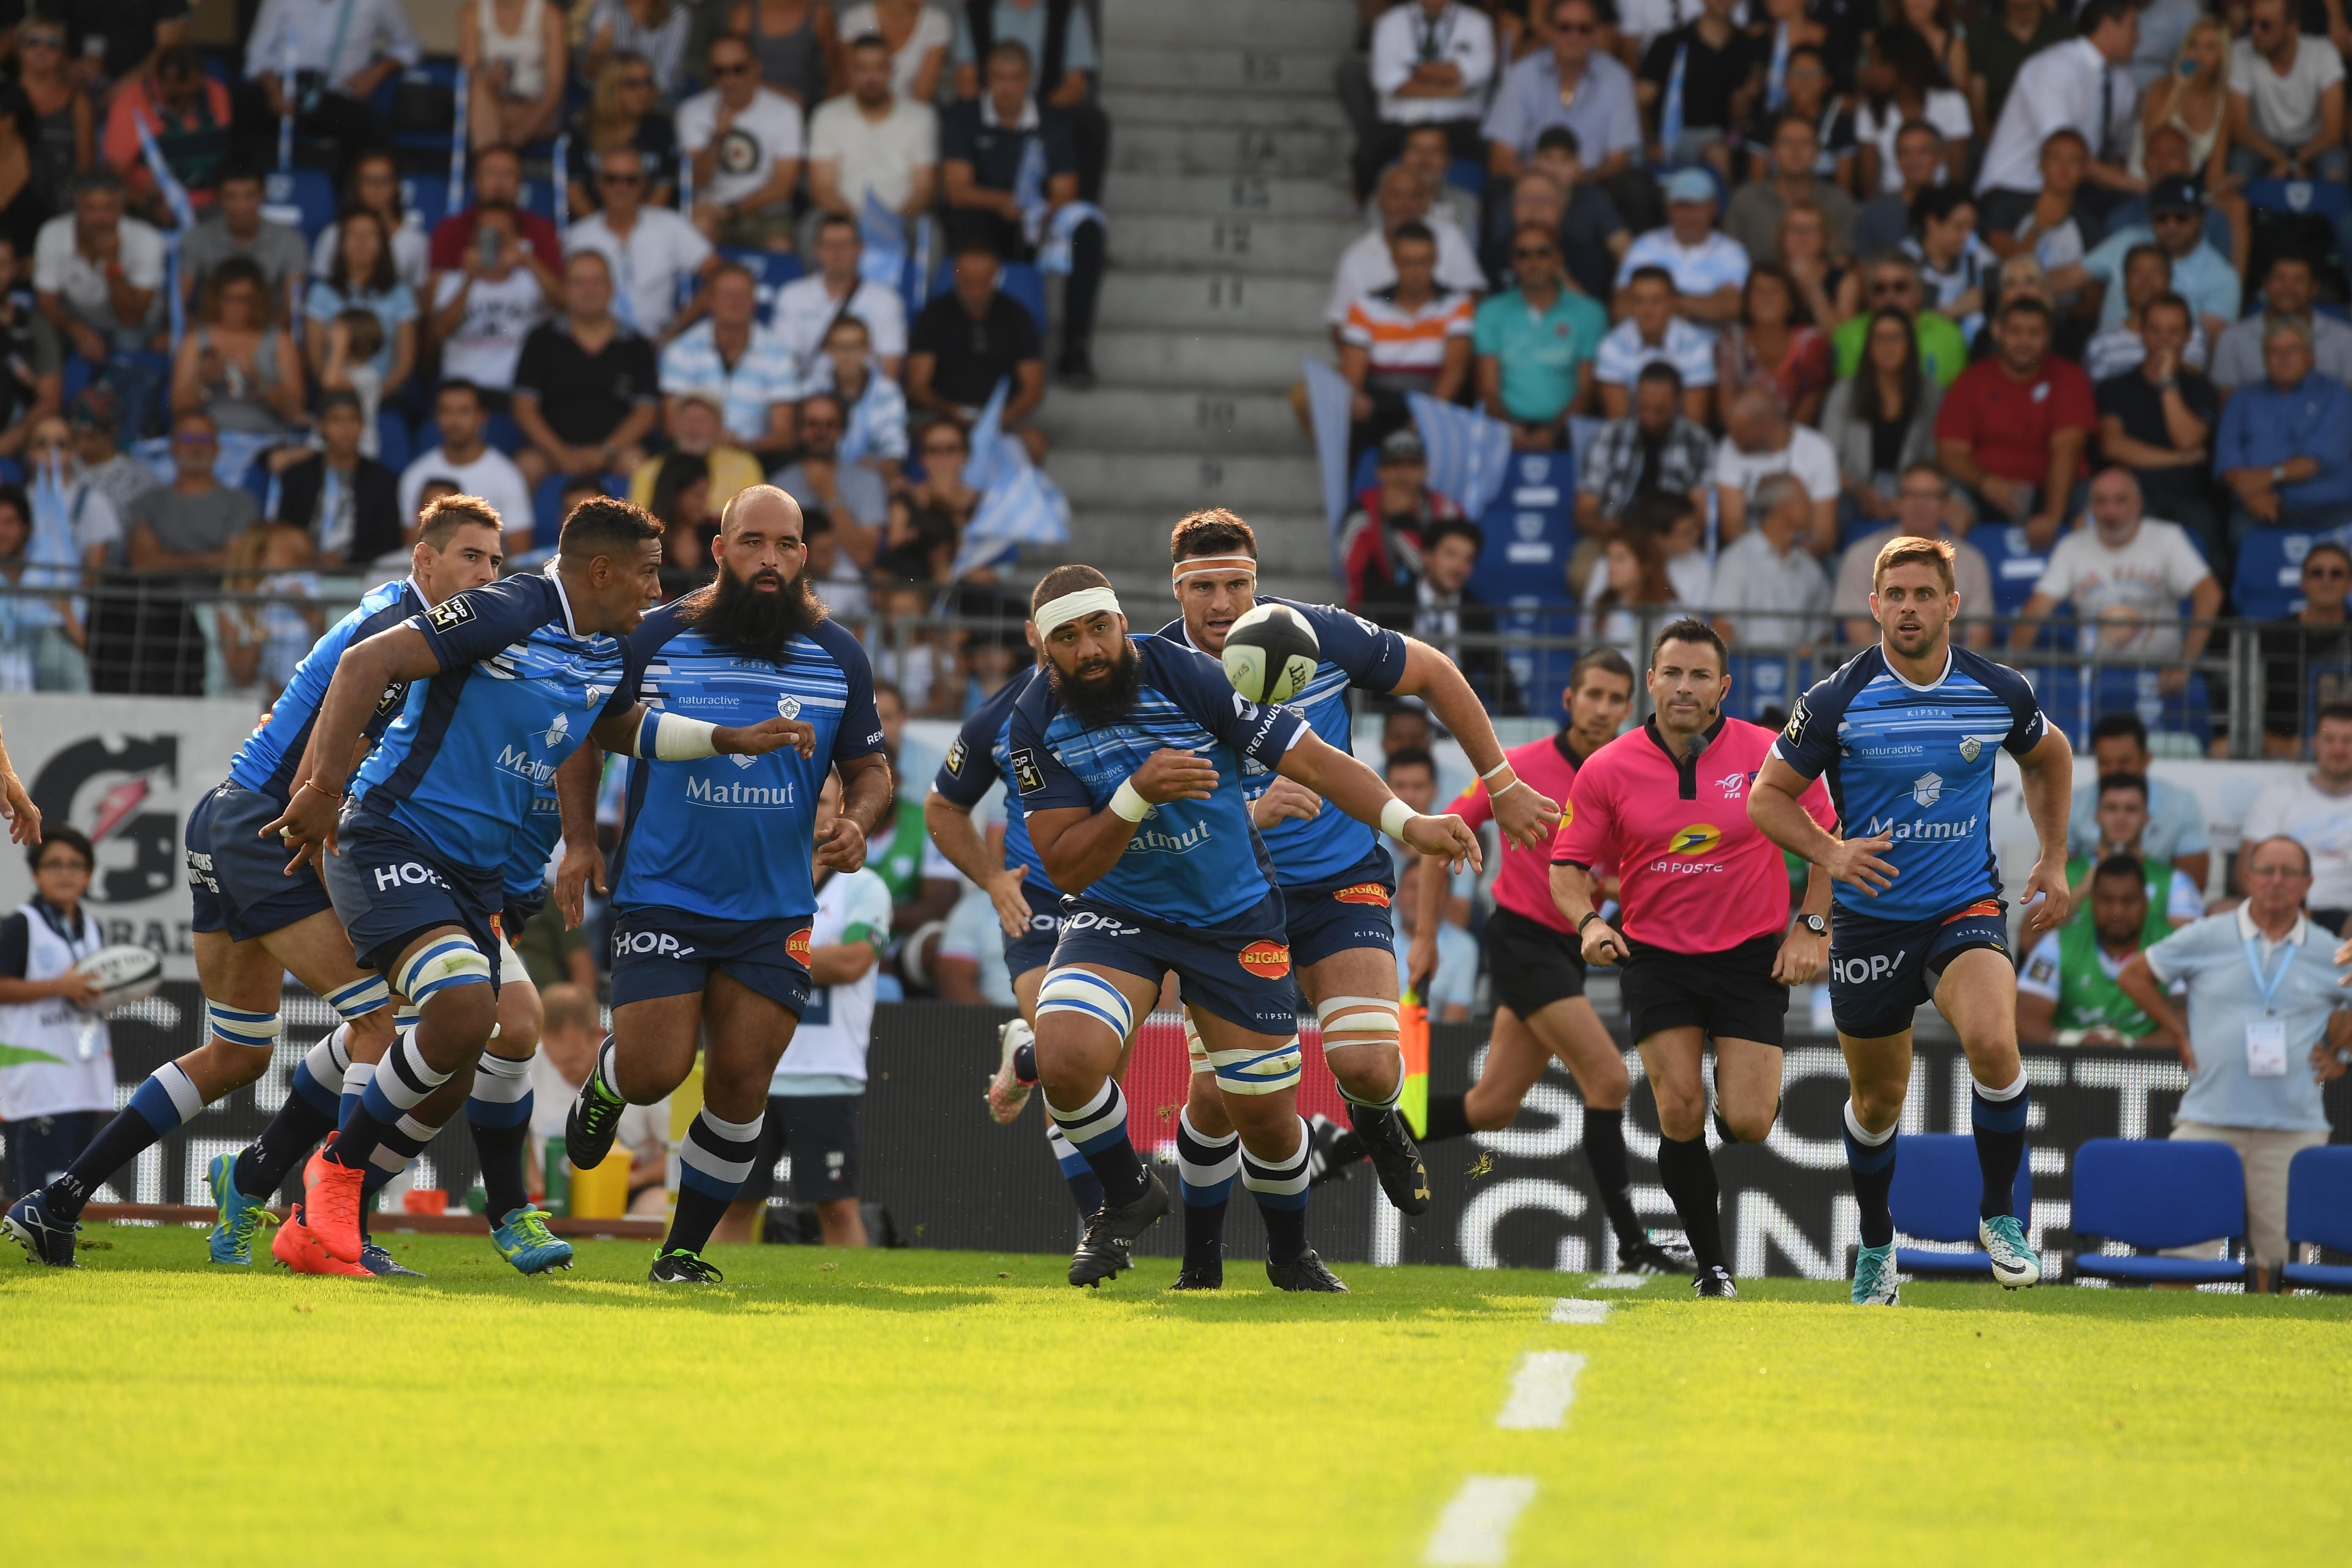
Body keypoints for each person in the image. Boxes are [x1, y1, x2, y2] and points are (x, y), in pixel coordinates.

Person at [265, 495, 800, 1271]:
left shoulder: (606, 648)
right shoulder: (508, 607)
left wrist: (725, 739)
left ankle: (349, 1211)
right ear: (601, 570)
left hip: (472, 874)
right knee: (460, 1009)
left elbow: (617, 728)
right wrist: (319, 789)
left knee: (513, 1020)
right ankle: (335, 1177)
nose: (657, 593)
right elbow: (364, 662)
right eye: (649, 575)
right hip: (391, 835)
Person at [0, 501, 505, 1271]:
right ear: (424, 559)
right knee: (379, 1020)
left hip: (224, 819)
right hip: (267, 831)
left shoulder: (386, 616)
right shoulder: (399, 634)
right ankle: (334, 1227)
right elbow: (322, 772)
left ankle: (59, 1199)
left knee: (237, 1052)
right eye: (471, 557)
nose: (486, 576)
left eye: (496, 563)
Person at [1006, 564, 1480, 1291]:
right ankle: (1128, 1195)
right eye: (1068, 638)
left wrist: (1409, 822)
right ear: (1044, 647)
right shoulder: (1033, 720)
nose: (1090, 649)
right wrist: (1137, 794)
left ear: (1119, 623)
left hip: (1230, 916)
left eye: (1099, 627)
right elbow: (1066, 867)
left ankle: (1289, 1253)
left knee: (1260, 1113)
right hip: (1120, 910)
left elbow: (1316, 761)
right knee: (1065, 1057)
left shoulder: (1191, 678)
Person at [1154, 512, 1561, 1275]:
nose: (1221, 603)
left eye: (1236, 583)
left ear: (1256, 577)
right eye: (1202, 587)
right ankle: (1201, 1263)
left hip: (1340, 881)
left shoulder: (1314, 634)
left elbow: (1436, 672)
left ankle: (1376, 1122)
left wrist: (1501, 784)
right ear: (1175, 588)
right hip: (1229, 900)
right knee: (1218, 1100)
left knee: (1371, 1066)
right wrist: (1251, 811)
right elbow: (1149, 809)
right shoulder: (1154, 673)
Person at [561, 488, 893, 1280]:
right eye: (752, 543)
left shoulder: (838, 652)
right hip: (663, 888)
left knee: (743, 1082)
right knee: (655, 1071)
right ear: (718, 550)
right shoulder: (654, 634)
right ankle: (608, 1083)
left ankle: (681, 1252)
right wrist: (578, 841)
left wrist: (857, 818)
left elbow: (869, 766)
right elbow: (584, 731)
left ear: (804, 557)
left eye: (785, 546)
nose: (769, 560)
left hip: (773, 905)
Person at [1752, 532, 2075, 1304]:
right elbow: (1765, 797)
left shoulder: (1997, 689)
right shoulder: (1835, 698)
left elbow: (2049, 756)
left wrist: (2054, 856)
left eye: (1922, 593)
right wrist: (1829, 855)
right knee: (1876, 1102)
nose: (1907, 607)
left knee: (1995, 1044)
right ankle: (1874, 1244)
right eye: (1893, 594)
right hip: (1867, 924)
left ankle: (1998, 1216)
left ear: (1950, 605)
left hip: (1961, 905)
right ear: (1872, 606)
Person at [1334, 648, 1689, 1274]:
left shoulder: (1631, 774)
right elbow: (1445, 834)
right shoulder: (1518, 768)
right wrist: (1426, 938)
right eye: (1593, 695)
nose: (1603, 709)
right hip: (1523, 942)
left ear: (1630, 708)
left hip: (1568, 949)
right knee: (1608, 1080)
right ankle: (1633, 1245)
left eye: (1615, 699)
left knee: (1491, 1107)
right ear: (1569, 700)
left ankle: (1340, 1145)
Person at [1554, 619, 1836, 1298]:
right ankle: (1714, 1270)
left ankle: (1712, 1132)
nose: (1685, 687)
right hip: (1658, 962)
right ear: (1649, 681)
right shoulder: (1608, 767)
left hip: (1749, 960)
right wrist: (1590, 923)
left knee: (1747, 1122)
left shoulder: (1772, 754)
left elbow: (1828, 840)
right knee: (1678, 1108)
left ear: (1724, 686)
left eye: (1700, 675)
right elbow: (1567, 869)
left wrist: (1813, 928)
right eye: (1672, 673)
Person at [2118, 836, 2349, 1292]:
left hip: (2292, 1128)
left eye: (2288, 872)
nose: (2276, 882)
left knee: (2282, 1269)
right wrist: (2179, 1032)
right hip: (2207, 1120)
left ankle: (2267, 1362)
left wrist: (2342, 1053)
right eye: (2266, 870)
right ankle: (2166, 1357)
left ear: (2308, 883)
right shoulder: (2209, 934)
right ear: (2247, 877)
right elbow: (2133, 974)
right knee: (2180, 1261)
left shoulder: (2328, 949)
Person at [718, 769, 893, 1247]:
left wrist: (762, 954)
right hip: (753, 1069)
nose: (814, 810)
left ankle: (858, 1313)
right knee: (732, 1201)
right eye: (806, 798)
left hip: (827, 1072)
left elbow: (854, 961)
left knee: (837, 1206)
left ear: (841, 810)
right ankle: (697, 1298)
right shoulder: (757, 875)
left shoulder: (865, 887)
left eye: (825, 801)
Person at [939, 39, 1104, 382]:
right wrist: (1002, 202)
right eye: (998, 77)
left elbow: (1065, 191)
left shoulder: (1053, 122)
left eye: (1015, 78)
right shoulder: (963, 118)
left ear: (1029, 78)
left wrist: (1038, 211)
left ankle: (1075, 345)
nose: (1007, 87)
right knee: (968, 221)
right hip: (985, 215)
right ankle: (970, 350)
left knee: (1087, 233)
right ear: (986, 78)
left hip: (1037, 221)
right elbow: (957, 190)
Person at [2006, 466, 2219, 687]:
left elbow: (2210, 594)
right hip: (2096, 679)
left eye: (2120, 501)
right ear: (2090, 507)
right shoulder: (2073, 546)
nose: (2110, 512)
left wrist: (2186, 663)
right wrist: (2011, 672)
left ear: (2139, 504)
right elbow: (2037, 609)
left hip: (2159, 677)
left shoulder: (2168, 538)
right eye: (2101, 502)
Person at [0, 829, 114, 1205]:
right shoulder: (22, 926)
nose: (65, 874)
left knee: (71, 1185)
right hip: (37, 1083)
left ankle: (60, 1248)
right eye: (54, 865)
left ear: (88, 874)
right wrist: (58, 987)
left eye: (75, 865)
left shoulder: (93, 928)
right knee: (33, 1191)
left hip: (84, 1078)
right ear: (36, 874)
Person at [1934, 296, 2093, 548]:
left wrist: (2052, 515)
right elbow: (1950, 453)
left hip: (2055, 488)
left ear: (2049, 336)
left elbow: (2067, 451)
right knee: (1949, 511)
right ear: (1999, 332)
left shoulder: (2071, 378)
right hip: (1983, 487)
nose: (2024, 342)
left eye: (2035, 333)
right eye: (2016, 332)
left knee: (2097, 512)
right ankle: (1954, 580)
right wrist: (1985, 482)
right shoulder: (1971, 380)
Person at [1973, 0, 2142, 233]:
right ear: (2108, 25)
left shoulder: (2122, 85)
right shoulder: (2054, 66)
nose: (2138, 38)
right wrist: (2138, 186)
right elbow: (2064, 153)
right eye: (2132, 27)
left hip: (2078, 192)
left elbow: (2120, 154)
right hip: (2017, 190)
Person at [118, 413, 258, 694]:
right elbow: (143, 564)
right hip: (157, 620)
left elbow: (235, 564)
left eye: (205, 438)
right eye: (187, 438)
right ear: (172, 446)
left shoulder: (241, 503)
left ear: (218, 448)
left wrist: (170, 559)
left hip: (220, 614)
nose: (196, 446)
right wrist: (208, 559)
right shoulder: (147, 504)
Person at [511, 250, 661, 488]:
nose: (588, 290)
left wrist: (605, 451)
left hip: (615, 453)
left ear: (611, 288)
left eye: (597, 282)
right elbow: (524, 408)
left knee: (638, 464)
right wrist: (561, 453)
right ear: (565, 289)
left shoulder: (637, 345)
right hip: (551, 453)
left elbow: (646, 412)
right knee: (526, 466)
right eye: (579, 282)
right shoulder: (540, 340)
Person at [2088, 293, 2221, 548]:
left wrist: (2167, 383)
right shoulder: (2114, 387)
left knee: (2206, 539)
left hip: (2186, 497)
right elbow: (2114, 447)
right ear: (2142, 333)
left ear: (2188, 337)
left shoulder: (2202, 389)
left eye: (2173, 332)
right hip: (2129, 498)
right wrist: (2180, 459)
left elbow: (2187, 439)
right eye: (2155, 330)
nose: (2163, 340)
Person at [528, 981, 668, 1215]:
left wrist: (633, 1180)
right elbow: (525, 1138)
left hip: (634, 1194)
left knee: (658, 1207)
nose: (562, 1071)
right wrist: (536, 1182)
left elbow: (676, 1153)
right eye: (555, 1062)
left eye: (572, 1060)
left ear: (597, 1035)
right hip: (556, 1199)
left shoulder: (636, 1068)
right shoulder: (533, 1064)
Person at [1339, 222, 1474, 465]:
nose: (1415, 272)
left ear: (1436, 260)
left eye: (1423, 262)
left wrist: (1429, 416)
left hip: (1435, 403)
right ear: (1394, 261)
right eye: (1407, 262)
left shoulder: (1457, 304)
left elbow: (1455, 371)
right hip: (1380, 407)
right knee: (1353, 417)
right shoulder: (1366, 305)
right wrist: (1356, 398)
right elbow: (1353, 375)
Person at [948, 0, 1109, 203]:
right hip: (990, 112)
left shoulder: (1067, 9)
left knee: (1091, 123)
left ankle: (1079, 220)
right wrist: (997, 112)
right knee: (956, 120)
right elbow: (966, 82)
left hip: (1047, 111)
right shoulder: (976, 7)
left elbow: (1076, 84)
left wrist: (1035, 115)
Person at [1484, 0, 1644, 196]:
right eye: (1564, 28)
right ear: (1549, 31)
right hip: (1529, 190)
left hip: (1592, 189)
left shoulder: (1618, 79)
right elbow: (1501, 157)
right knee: (1498, 188)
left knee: (1633, 188)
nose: (1574, 37)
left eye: (1583, 29)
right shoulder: (1521, 75)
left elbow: (1619, 161)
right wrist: (1541, 184)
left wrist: (1583, 181)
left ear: (1596, 33)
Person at [2015, 853, 2173, 1045]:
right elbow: (2023, 1019)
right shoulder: (2057, 943)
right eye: (2107, 900)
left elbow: (2190, 1026)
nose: (2117, 911)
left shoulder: (2172, 945)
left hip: (2149, 1071)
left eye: (2128, 901)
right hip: (2071, 1066)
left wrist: (2129, 1045)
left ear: (2145, 902)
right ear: (2092, 902)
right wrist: (2076, 1042)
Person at [238, 0, 420, 168]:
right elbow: (256, 56)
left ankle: (346, 199)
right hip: (281, 92)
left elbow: (408, 47)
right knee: (237, 108)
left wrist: (376, 72)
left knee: (368, 131)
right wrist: (274, 91)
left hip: (337, 97)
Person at [2215, 322, 2352, 539]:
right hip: (2261, 503)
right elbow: (2228, 460)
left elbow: (2316, 461)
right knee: (2241, 531)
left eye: (2293, 350)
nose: (2284, 357)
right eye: (2274, 351)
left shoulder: (2336, 395)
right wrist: (2251, 495)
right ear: (2265, 359)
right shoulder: (2242, 397)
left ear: (2310, 356)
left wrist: (2268, 477)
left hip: (2328, 506)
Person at [563, 145, 711, 344]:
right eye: (611, 179)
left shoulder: (670, 225)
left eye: (631, 180)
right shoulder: (577, 236)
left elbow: (719, 275)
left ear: (644, 185)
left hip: (657, 341)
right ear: (598, 184)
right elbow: (560, 293)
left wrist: (675, 328)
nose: (621, 187)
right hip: (594, 342)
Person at [1473, 221, 1605, 444]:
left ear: (1558, 258)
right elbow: (1487, 389)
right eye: (1523, 254)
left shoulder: (1590, 312)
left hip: (1568, 432)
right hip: (1504, 431)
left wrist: (1554, 432)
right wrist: (1512, 430)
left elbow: (1587, 391)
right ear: (1513, 262)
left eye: (1543, 253)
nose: (1533, 262)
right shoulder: (1490, 311)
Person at [1832, 463, 1991, 647]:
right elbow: (1861, 639)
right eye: (1911, 496)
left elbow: (1978, 640)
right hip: (1880, 670)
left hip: (1950, 671)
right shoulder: (1861, 556)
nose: (1920, 505)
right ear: (1898, 502)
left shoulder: (1972, 561)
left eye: (1930, 497)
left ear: (1946, 505)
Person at [2063, 177, 2239, 343]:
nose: (2171, 225)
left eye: (2181, 217)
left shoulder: (2223, 277)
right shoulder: (2128, 240)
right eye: (2162, 218)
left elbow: (2206, 348)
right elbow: (2067, 278)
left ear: (2201, 217)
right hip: (2109, 359)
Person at [906, 239, 1044, 446]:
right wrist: (950, 411)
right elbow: (918, 386)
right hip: (944, 417)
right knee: (939, 443)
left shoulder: (1018, 317)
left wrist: (999, 419)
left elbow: (1033, 388)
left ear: (997, 275)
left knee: (1034, 442)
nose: (976, 289)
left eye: (983, 281)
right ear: (956, 273)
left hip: (1003, 418)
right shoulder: (933, 317)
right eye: (969, 281)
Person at [677, 31, 806, 252]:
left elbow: (783, 186)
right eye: (720, 72)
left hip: (767, 212)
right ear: (710, 74)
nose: (730, 80)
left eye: (739, 70)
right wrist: (718, 139)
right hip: (711, 209)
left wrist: (732, 210)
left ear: (757, 67)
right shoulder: (692, 111)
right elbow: (697, 181)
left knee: (779, 246)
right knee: (698, 229)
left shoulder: (785, 111)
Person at [1821, 308, 1947, 531]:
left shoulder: (1932, 395)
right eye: (1879, 338)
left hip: (1913, 495)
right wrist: (1860, 491)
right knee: (1836, 514)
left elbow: (1934, 460)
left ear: (1910, 344)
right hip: (1854, 494)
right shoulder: (1845, 392)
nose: (1887, 346)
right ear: (1869, 345)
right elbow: (1825, 459)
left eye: (1895, 338)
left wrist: (1907, 498)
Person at [658, 260, 800, 457]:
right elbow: (672, 425)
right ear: (710, 302)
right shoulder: (681, 350)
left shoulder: (779, 354)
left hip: (755, 456)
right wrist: (709, 442)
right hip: (692, 455)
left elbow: (784, 434)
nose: (735, 302)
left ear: (755, 303)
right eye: (727, 295)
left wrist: (745, 447)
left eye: (743, 295)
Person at [1329, 163, 1487, 337]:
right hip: (1379, 357)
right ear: (1379, 201)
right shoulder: (1357, 256)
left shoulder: (1450, 237)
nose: (1405, 205)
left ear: (1427, 202)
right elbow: (1340, 323)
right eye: (1396, 196)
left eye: (1414, 196)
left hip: (1446, 350)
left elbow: (1472, 297)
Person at [34, 172, 163, 384]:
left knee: (127, 341)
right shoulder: (53, 233)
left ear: (122, 209)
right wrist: (78, 330)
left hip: (136, 324)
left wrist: (112, 264)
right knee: (45, 334)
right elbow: (46, 303)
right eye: (91, 209)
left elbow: (131, 319)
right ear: (77, 209)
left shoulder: (146, 238)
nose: (100, 218)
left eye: (109, 209)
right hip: (79, 318)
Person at [806, 30, 939, 233]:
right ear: (850, 71)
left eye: (880, 68)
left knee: (931, 234)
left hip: (902, 220)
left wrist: (891, 225)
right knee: (811, 230)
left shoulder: (921, 117)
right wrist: (856, 226)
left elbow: (923, 188)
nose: (871, 78)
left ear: (892, 70)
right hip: (842, 219)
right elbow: (822, 187)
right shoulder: (826, 116)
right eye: (862, 69)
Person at [1362, 0, 1499, 196]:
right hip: (1402, 123)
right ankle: (1370, 211)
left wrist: (1417, 72)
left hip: (1460, 124)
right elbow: (1387, 81)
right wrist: (1452, 88)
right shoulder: (1390, 22)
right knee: (1364, 158)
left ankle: (1483, 220)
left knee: (1495, 163)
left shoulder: (1477, 23)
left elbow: (1478, 74)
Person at [429, 201, 557, 401]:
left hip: (517, 394)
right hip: (463, 395)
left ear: (516, 237)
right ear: (474, 236)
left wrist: (528, 260)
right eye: (488, 234)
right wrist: (469, 279)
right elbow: (439, 333)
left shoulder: (532, 280)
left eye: (503, 234)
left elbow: (566, 306)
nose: (496, 241)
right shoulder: (452, 281)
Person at [2243, 704, 2352, 934]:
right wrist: (2285, 909)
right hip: (2284, 908)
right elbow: (2247, 869)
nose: (2339, 749)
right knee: (2221, 911)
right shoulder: (2280, 794)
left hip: (2348, 916)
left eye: (2348, 741)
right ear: (2314, 744)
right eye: (2329, 739)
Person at [1576, 361, 1714, 535]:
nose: (1651, 418)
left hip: (1673, 538)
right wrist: (1604, 528)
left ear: (1678, 401)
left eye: (1660, 410)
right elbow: (1586, 508)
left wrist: (1679, 538)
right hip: (1613, 533)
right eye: (1644, 408)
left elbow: (1700, 511)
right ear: (1636, 398)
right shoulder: (1609, 436)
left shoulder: (1699, 441)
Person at [397, 380, 535, 551]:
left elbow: (519, 553)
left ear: (483, 417)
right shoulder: (415, 476)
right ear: (436, 417)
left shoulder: (507, 476)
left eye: (464, 412)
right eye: (447, 412)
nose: (455, 421)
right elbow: (412, 548)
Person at [771, 212, 907, 385]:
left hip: (865, 398)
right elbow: (783, 363)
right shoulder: (792, 296)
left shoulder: (887, 300)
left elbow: (890, 369)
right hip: (810, 401)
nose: (838, 252)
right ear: (816, 251)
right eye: (830, 245)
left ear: (860, 249)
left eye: (845, 244)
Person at [2224, 0, 2348, 187]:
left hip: (2315, 145)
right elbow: (2240, 130)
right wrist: (2284, 160)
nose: (2255, 32)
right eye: (2252, 23)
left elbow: (2333, 133)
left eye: (2265, 25)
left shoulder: (2324, 53)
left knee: (2336, 172)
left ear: (2292, 27)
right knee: (2238, 171)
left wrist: (2293, 160)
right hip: (2261, 146)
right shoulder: (2241, 51)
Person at [1614, 169, 1750, 339]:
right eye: (1681, 206)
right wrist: (1707, 302)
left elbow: (1735, 308)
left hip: (1715, 355)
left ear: (1714, 208)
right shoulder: (1644, 246)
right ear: (1668, 209)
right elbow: (1621, 308)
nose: (1689, 215)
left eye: (1697, 206)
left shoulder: (1732, 252)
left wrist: (1658, 302)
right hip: (1650, 355)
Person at [303, 207, 419, 405]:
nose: (361, 242)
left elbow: (405, 361)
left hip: (385, 397)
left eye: (370, 235)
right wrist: (337, 389)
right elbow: (316, 359)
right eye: (353, 235)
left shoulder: (401, 294)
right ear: (341, 244)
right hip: (333, 395)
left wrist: (374, 394)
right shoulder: (321, 293)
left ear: (383, 244)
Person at [103, 45, 234, 219]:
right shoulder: (130, 103)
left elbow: (225, 153)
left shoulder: (217, 93)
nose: (183, 103)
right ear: (158, 79)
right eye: (175, 97)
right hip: (157, 211)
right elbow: (115, 171)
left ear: (200, 79)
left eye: (190, 95)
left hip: (214, 208)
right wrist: (146, 204)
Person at [2062, 773, 2202, 932]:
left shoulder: (2176, 882)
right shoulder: (2060, 877)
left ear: (2146, 819)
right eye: (2111, 808)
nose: (2121, 817)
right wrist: (2081, 892)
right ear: (2097, 816)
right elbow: (2029, 938)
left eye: (2131, 810)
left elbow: (2187, 946)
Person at [277, 389, 403, 566]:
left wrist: (346, 562)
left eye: (352, 420)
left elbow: (388, 543)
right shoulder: (298, 477)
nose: (345, 429)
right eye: (336, 420)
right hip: (301, 570)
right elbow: (284, 532)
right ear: (322, 425)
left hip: (360, 576)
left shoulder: (382, 481)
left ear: (362, 425)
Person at [1709, 472, 1834, 648]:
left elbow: (1822, 634)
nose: (1812, 507)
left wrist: (1808, 656)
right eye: (1804, 500)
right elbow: (1723, 627)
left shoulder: (1810, 568)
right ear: (1783, 508)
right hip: (1745, 672)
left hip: (1799, 672)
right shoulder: (1736, 560)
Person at [1634, 0, 1758, 177]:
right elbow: (1641, 101)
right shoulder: (1669, 43)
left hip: (1726, 141)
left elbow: (1740, 120)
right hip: (1671, 138)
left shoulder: (1746, 47)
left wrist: (1744, 100)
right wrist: (1650, 142)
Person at [774, 389, 890, 573]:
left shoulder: (869, 482)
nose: (821, 432)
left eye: (831, 424)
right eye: (812, 424)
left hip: (849, 591)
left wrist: (828, 492)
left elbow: (864, 557)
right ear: (799, 429)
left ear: (842, 429)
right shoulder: (777, 485)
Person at [1711, 386, 1838, 552]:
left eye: (1740, 432)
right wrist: (1767, 559)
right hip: (1748, 554)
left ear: (1768, 427)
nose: (1733, 440)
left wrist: (1788, 559)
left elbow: (1825, 534)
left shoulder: (1818, 450)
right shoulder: (1729, 449)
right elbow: (1732, 526)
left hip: (1802, 554)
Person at [1854, 27, 1973, 199]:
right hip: (1890, 203)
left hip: (1940, 203)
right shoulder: (1869, 109)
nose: (1872, 72)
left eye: (1879, 63)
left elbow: (1956, 177)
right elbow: (1869, 185)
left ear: (1902, 65)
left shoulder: (1952, 102)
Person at [1726, 113, 1858, 268]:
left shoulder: (1840, 202)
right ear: (1772, 152)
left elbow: (1843, 262)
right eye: (1787, 142)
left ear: (1817, 152)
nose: (1796, 150)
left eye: (1805, 143)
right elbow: (1731, 262)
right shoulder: (1745, 201)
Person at [2212, 253, 2352, 395]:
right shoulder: (2232, 338)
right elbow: (2227, 402)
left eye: (2298, 280)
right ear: (2265, 285)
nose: (2288, 287)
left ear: (2314, 288)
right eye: (2280, 278)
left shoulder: (2346, 338)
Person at [179, 162, 308, 314]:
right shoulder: (196, 238)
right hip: (211, 331)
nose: (240, 206)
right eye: (231, 196)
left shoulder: (291, 242)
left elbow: (292, 311)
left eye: (249, 196)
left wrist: (257, 338)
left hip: (269, 332)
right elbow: (180, 303)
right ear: (218, 197)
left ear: (263, 195)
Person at [2260, 544, 2352, 758]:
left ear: (2349, 584)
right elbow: (2248, 714)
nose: (2326, 580)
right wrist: (2280, 746)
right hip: (2283, 752)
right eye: (2317, 573)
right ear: (2303, 583)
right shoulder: (2272, 637)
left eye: (2336, 574)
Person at [563, 52, 679, 218]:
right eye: (633, 84)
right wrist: (603, 230)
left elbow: (662, 190)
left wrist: (635, 229)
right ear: (611, 87)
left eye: (648, 83)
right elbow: (575, 191)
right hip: (592, 226)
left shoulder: (661, 128)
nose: (643, 91)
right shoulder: (582, 127)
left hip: (648, 227)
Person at [1594, 267, 1717, 423]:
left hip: (1681, 441)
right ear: (1630, 304)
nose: (1648, 311)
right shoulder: (1612, 345)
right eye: (1639, 301)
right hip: (1631, 440)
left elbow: (1694, 420)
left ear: (1673, 303)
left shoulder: (1698, 346)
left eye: (1657, 301)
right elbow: (1619, 421)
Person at [1713, 263, 1831, 426]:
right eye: (1758, 291)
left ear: (1791, 303)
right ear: (1747, 302)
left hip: (1796, 441)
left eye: (1775, 291)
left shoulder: (1811, 344)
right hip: (1742, 438)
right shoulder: (1733, 341)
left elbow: (1807, 411)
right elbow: (1728, 411)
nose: (1766, 298)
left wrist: (1779, 446)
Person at [1829, 248, 1967, 386]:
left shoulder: (1948, 334)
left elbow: (1957, 397)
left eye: (1900, 287)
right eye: (1880, 288)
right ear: (1868, 295)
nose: (1890, 296)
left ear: (1919, 291)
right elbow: (1852, 395)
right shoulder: (1848, 336)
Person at [427, 144, 563, 280]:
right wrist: (464, 272)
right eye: (491, 173)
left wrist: (527, 261)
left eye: (509, 174)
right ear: (475, 182)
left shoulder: (542, 230)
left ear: (520, 183)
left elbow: (563, 298)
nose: (499, 183)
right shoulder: (450, 231)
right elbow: (430, 299)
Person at [2079, 245, 2212, 384]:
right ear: (2125, 283)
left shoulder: (2192, 335)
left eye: (2156, 272)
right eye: (2137, 272)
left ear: (2170, 280)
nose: (2146, 281)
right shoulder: (2100, 343)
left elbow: (2196, 385)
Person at [310, 150, 429, 297]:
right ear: (356, 185)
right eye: (369, 180)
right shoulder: (333, 234)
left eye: (385, 180)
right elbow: (322, 291)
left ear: (397, 186)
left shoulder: (416, 240)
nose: (377, 187)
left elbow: (418, 296)